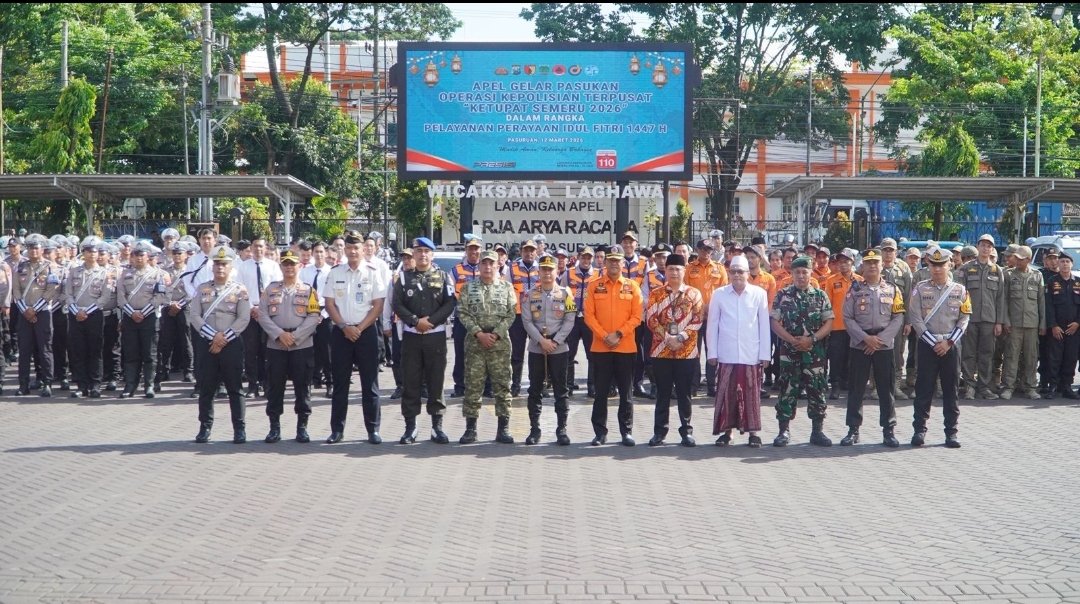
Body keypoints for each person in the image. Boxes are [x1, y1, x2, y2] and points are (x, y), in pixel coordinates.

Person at [323, 231, 388, 444]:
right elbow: (329, 303)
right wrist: (343, 326)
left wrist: (359, 328)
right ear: (345, 250)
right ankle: (337, 430)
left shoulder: (372, 272)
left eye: (356, 248)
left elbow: (378, 305)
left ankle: (373, 430)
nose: (352, 251)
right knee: (340, 384)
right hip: (341, 332)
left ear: (363, 250)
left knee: (370, 383)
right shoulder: (335, 272)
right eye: (349, 248)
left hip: (366, 332)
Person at [392, 236, 457, 444]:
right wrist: (414, 321)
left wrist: (431, 321)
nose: (422, 255)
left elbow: (450, 303)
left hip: (435, 336)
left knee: (436, 381)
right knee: (411, 382)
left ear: (432, 254)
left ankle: (437, 427)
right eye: (418, 251)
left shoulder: (444, 276)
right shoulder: (403, 278)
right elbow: (397, 304)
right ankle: (410, 427)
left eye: (426, 251)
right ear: (413, 254)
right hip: (411, 338)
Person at [840, 249, 906, 447]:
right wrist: (865, 339)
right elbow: (847, 317)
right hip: (860, 344)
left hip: (884, 346)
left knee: (886, 390)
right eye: (868, 263)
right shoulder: (854, 289)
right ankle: (853, 430)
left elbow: (898, 318)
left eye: (875, 263)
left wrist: (880, 340)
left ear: (881, 266)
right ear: (863, 266)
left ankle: (889, 430)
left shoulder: (893, 289)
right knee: (856, 389)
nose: (871, 266)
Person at [908, 247, 971, 448]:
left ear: (949, 264)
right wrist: (932, 341)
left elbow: (964, 319)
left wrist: (949, 342)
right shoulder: (919, 288)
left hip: (950, 345)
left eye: (941, 265)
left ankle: (951, 432)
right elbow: (915, 318)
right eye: (933, 265)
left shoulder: (960, 290)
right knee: (923, 389)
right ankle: (919, 430)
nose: (937, 269)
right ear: (928, 265)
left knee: (951, 389)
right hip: (928, 345)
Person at [256, 250, 321, 444]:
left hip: (301, 345)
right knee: (275, 387)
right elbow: (262, 314)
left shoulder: (308, 290)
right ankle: (274, 427)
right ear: (281, 266)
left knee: (302, 387)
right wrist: (279, 334)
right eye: (286, 264)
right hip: (276, 345)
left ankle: (302, 427)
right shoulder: (270, 289)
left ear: (299, 266)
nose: (289, 267)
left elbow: (314, 317)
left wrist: (296, 336)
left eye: (293, 264)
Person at [188, 246, 251, 444]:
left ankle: (239, 429)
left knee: (235, 388)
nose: (220, 267)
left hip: (230, 344)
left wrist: (223, 338)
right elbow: (194, 315)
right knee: (206, 388)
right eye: (216, 264)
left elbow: (243, 318)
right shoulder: (202, 288)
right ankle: (204, 428)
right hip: (207, 343)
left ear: (231, 266)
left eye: (224, 264)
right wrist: (213, 336)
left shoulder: (239, 290)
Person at [770, 255, 834, 447]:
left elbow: (828, 322)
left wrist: (811, 339)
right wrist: (791, 340)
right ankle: (783, 431)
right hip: (789, 353)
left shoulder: (820, 295)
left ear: (810, 272)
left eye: (804, 272)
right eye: (797, 272)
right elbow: (774, 321)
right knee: (787, 390)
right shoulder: (783, 295)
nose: (801, 276)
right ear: (792, 273)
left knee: (817, 390)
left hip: (815, 354)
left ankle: (817, 431)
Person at [706, 255, 770, 447]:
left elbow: (764, 325)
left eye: (740, 271)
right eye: (733, 271)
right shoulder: (719, 294)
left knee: (751, 395)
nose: (736, 275)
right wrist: (712, 352)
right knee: (726, 394)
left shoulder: (759, 293)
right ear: (729, 273)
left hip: (751, 353)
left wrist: (765, 354)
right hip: (727, 354)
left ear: (747, 273)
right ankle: (727, 432)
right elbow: (712, 325)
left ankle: (753, 433)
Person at [455, 250, 517, 444]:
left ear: (498, 265)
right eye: (484, 263)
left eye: (491, 263)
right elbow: (463, 313)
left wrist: (496, 333)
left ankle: (503, 429)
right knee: (473, 386)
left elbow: (511, 314)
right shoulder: (468, 288)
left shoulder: (507, 287)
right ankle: (470, 429)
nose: (488, 267)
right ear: (479, 265)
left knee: (502, 386)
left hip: (500, 345)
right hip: (475, 344)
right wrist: (479, 334)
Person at [583, 248, 643, 446]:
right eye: (611, 261)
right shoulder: (594, 286)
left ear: (623, 264)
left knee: (626, 393)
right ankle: (600, 433)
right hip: (601, 348)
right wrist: (603, 336)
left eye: (618, 261)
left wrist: (618, 334)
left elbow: (636, 316)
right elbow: (589, 315)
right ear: (605, 264)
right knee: (601, 393)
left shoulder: (632, 286)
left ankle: (626, 432)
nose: (614, 264)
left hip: (625, 347)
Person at [645, 253, 704, 446]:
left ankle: (686, 431)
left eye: (678, 269)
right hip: (661, 350)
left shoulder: (694, 294)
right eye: (670, 269)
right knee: (662, 393)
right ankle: (659, 432)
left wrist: (680, 337)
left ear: (684, 270)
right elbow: (651, 319)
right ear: (666, 271)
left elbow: (697, 320)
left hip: (686, 352)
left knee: (684, 394)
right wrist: (667, 337)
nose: (674, 272)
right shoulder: (656, 293)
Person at [521, 254, 576, 445]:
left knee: (561, 390)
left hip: (559, 348)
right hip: (537, 348)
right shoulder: (529, 294)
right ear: (539, 271)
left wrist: (555, 341)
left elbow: (570, 320)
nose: (547, 273)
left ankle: (562, 429)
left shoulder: (566, 294)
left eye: (550, 269)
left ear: (556, 271)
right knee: (535, 390)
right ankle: (534, 430)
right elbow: (526, 321)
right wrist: (541, 341)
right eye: (543, 269)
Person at [117, 241, 169, 398]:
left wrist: (143, 312)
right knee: (131, 353)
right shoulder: (125, 274)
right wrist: (132, 313)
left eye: (142, 255)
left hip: (149, 318)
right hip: (130, 317)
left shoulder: (157, 275)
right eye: (136, 255)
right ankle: (130, 386)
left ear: (148, 257)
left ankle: (149, 385)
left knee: (149, 353)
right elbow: (120, 296)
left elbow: (159, 296)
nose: (138, 258)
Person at [13, 236, 63, 396]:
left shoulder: (49, 268)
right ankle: (23, 385)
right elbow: (16, 291)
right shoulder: (21, 267)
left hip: (43, 313)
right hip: (24, 313)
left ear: (42, 250)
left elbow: (51, 290)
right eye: (31, 248)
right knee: (25, 350)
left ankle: (47, 383)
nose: (34, 251)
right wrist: (26, 310)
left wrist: (34, 310)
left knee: (45, 349)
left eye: (37, 248)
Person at [957, 234, 1005, 400]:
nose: (986, 248)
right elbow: (959, 295)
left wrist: (999, 322)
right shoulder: (966, 268)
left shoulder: (997, 270)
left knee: (987, 354)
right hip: (970, 319)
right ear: (977, 247)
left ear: (992, 249)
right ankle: (970, 386)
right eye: (983, 245)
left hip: (989, 320)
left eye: (989, 246)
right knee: (969, 354)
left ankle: (984, 387)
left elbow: (1000, 298)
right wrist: (960, 319)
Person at [236, 236, 283, 398]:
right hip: (249, 312)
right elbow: (239, 289)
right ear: (251, 248)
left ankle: (266, 383)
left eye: (261, 247)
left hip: (268, 313)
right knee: (251, 350)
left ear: (265, 248)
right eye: (255, 246)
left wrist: (263, 309)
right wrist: (251, 308)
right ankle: (252, 384)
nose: (258, 249)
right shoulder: (243, 267)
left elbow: (277, 289)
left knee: (268, 350)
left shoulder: (273, 266)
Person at [63, 237, 110, 398]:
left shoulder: (104, 273)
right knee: (78, 351)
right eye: (88, 251)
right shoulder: (74, 271)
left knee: (95, 350)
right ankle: (81, 385)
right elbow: (68, 293)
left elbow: (105, 297)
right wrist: (76, 311)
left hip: (94, 314)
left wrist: (87, 312)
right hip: (76, 315)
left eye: (94, 251)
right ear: (83, 253)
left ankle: (95, 384)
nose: (91, 254)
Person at [1000, 245, 1044, 401]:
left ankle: (1031, 387)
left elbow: (1041, 302)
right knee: (1011, 356)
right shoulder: (1009, 275)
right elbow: (1004, 300)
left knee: (1031, 357)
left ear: (1028, 260)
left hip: (1032, 324)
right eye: (1016, 258)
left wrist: (1042, 324)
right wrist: (1005, 320)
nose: (1017, 261)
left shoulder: (1037, 276)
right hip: (1014, 324)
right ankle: (1008, 387)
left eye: (1020, 259)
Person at [685, 239, 728, 397]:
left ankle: (712, 385)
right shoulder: (689, 269)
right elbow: (685, 292)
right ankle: (693, 385)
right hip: (694, 318)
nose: (706, 252)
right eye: (703, 249)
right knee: (694, 352)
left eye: (709, 249)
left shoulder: (719, 269)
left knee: (713, 351)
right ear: (697, 249)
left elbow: (724, 293)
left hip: (713, 317)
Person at [822, 249, 863, 400]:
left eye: (846, 261)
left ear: (852, 262)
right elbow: (827, 304)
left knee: (852, 357)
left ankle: (848, 383)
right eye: (841, 262)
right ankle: (835, 385)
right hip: (837, 326)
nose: (843, 265)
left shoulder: (859, 280)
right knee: (836, 357)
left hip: (855, 327)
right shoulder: (831, 280)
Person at [561, 246, 598, 396]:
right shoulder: (568, 274)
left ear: (592, 259)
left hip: (589, 319)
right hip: (573, 319)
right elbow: (561, 294)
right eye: (583, 257)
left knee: (592, 354)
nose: (586, 260)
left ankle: (592, 386)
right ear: (578, 258)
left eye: (589, 258)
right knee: (569, 353)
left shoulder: (598, 274)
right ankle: (568, 385)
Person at [157, 243, 194, 387]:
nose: (177, 256)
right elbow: (161, 290)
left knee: (186, 341)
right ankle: (164, 370)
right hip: (168, 307)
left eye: (180, 253)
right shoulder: (165, 272)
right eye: (175, 253)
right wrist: (170, 303)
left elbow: (193, 292)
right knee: (166, 341)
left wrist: (179, 304)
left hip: (184, 308)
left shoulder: (190, 273)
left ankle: (188, 371)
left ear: (185, 255)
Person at [450, 238, 483, 398]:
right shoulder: (456, 270)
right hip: (462, 319)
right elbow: (451, 294)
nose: (474, 252)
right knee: (461, 352)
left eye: (476, 249)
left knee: (484, 353)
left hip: (483, 320)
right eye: (471, 249)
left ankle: (484, 386)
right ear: (466, 250)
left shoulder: (487, 268)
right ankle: (460, 385)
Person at [299, 240, 333, 395]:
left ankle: (330, 382)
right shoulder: (305, 272)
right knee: (308, 350)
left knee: (327, 351)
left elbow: (332, 297)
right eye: (316, 252)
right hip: (308, 314)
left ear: (326, 253)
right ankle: (310, 382)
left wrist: (322, 314)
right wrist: (311, 314)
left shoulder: (332, 271)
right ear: (312, 253)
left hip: (326, 314)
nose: (319, 255)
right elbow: (301, 293)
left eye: (321, 252)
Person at [507, 239, 540, 396]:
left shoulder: (541, 268)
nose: (529, 253)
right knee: (517, 353)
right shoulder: (511, 269)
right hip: (518, 316)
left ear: (536, 252)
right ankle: (516, 385)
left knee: (538, 352)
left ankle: (538, 385)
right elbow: (506, 290)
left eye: (532, 250)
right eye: (526, 250)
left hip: (537, 316)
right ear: (521, 252)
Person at [1045, 254, 1080, 399]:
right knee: (1054, 358)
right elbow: (1048, 306)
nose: (1065, 264)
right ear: (1058, 264)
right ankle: (1052, 386)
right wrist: (1053, 325)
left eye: (1067, 261)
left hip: (1074, 328)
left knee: (1070, 358)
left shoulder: (1078, 282)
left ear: (1072, 264)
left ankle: (1067, 386)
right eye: (1062, 261)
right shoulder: (1052, 282)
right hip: (1057, 328)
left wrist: (1078, 323)